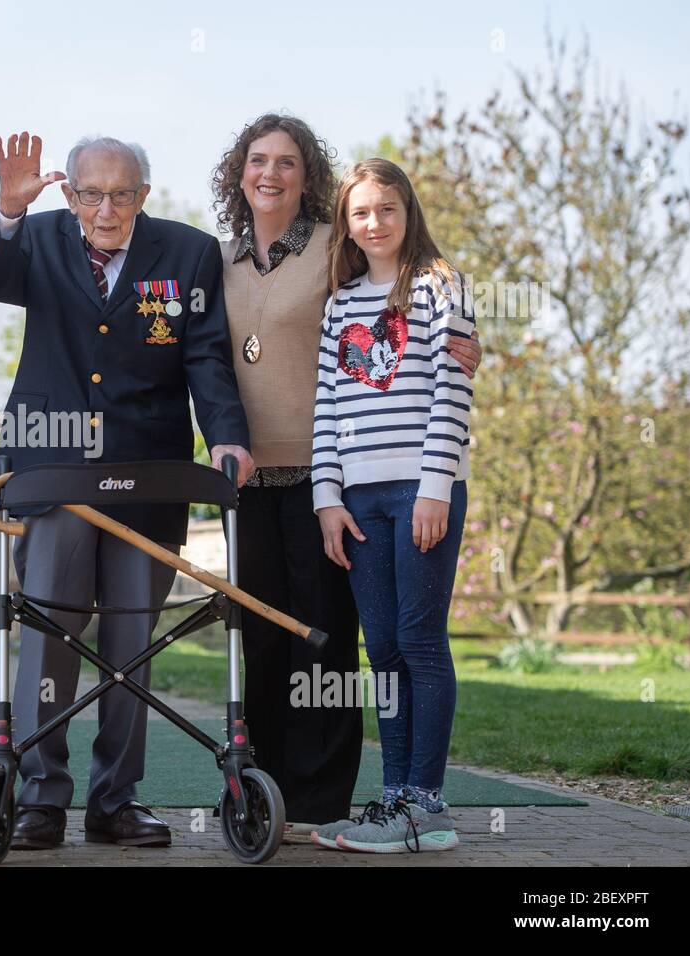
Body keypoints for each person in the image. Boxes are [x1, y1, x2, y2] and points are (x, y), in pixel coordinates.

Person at [0, 132, 252, 850]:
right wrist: (6, 206)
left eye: (122, 194)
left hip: (148, 473)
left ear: (144, 196)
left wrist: (225, 435)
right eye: (90, 193)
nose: (106, 208)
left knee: (130, 643)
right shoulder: (38, 236)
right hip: (53, 470)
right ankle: (39, 798)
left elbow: (206, 352)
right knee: (51, 634)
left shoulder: (188, 253)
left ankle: (115, 800)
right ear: (68, 193)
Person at [212, 114, 482, 835]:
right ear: (240, 172)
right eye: (258, 160)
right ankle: (308, 789)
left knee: (368, 639)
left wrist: (434, 480)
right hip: (298, 482)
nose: (270, 173)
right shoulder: (235, 261)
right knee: (309, 639)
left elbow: (448, 380)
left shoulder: (387, 267)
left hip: (373, 483)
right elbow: (319, 391)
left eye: (287, 163)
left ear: (309, 178)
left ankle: (387, 799)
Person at [309, 157, 475, 853]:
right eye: (360, 213)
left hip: (421, 490)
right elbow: (326, 407)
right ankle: (394, 800)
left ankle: (427, 805)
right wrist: (326, 498)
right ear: (346, 224)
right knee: (381, 649)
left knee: (418, 639)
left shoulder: (443, 288)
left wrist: (434, 487)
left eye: (386, 209)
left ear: (408, 212)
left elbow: (452, 392)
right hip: (359, 500)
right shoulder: (341, 303)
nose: (373, 223)